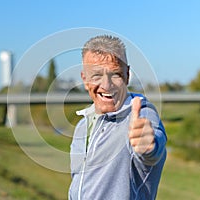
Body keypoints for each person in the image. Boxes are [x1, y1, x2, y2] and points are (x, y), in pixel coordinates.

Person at [69, 35, 167, 200]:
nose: (107, 85)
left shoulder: (142, 113)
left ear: (127, 75)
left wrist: (149, 147)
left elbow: (153, 147)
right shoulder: (82, 125)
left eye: (115, 74)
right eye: (96, 75)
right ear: (84, 79)